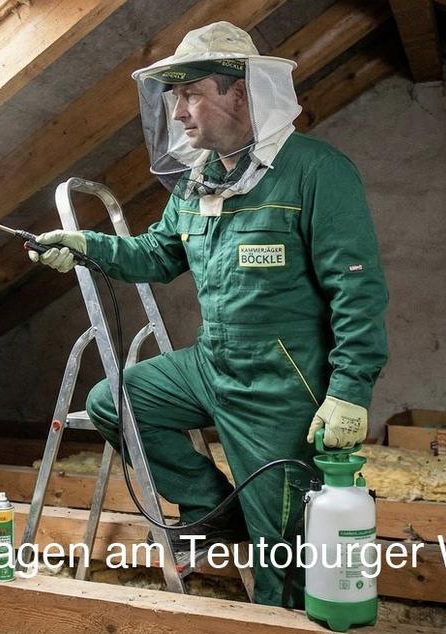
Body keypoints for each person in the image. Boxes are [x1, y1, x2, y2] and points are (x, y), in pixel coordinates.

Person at [27, 21, 388, 607]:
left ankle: (280, 612)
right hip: (211, 362)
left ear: (241, 93)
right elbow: (158, 253)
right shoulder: (200, 182)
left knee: (284, 552)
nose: (178, 112)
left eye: (191, 94)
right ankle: (214, 510)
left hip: (282, 381)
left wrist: (350, 389)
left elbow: (357, 288)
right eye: (173, 97)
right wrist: (87, 245)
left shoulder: (315, 171)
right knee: (114, 401)